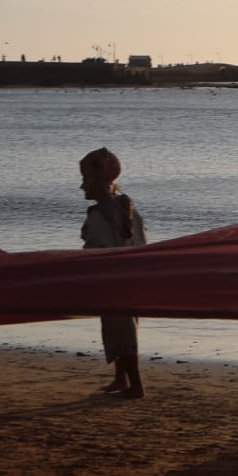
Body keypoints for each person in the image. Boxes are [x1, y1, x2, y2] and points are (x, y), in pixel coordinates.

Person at [79, 147, 149, 399]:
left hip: (112, 280)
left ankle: (136, 386)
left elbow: (96, 250)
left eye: (86, 181)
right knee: (121, 326)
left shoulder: (99, 215)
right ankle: (121, 379)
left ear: (98, 182)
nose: (82, 187)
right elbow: (142, 244)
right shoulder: (129, 209)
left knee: (120, 328)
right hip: (132, 278)